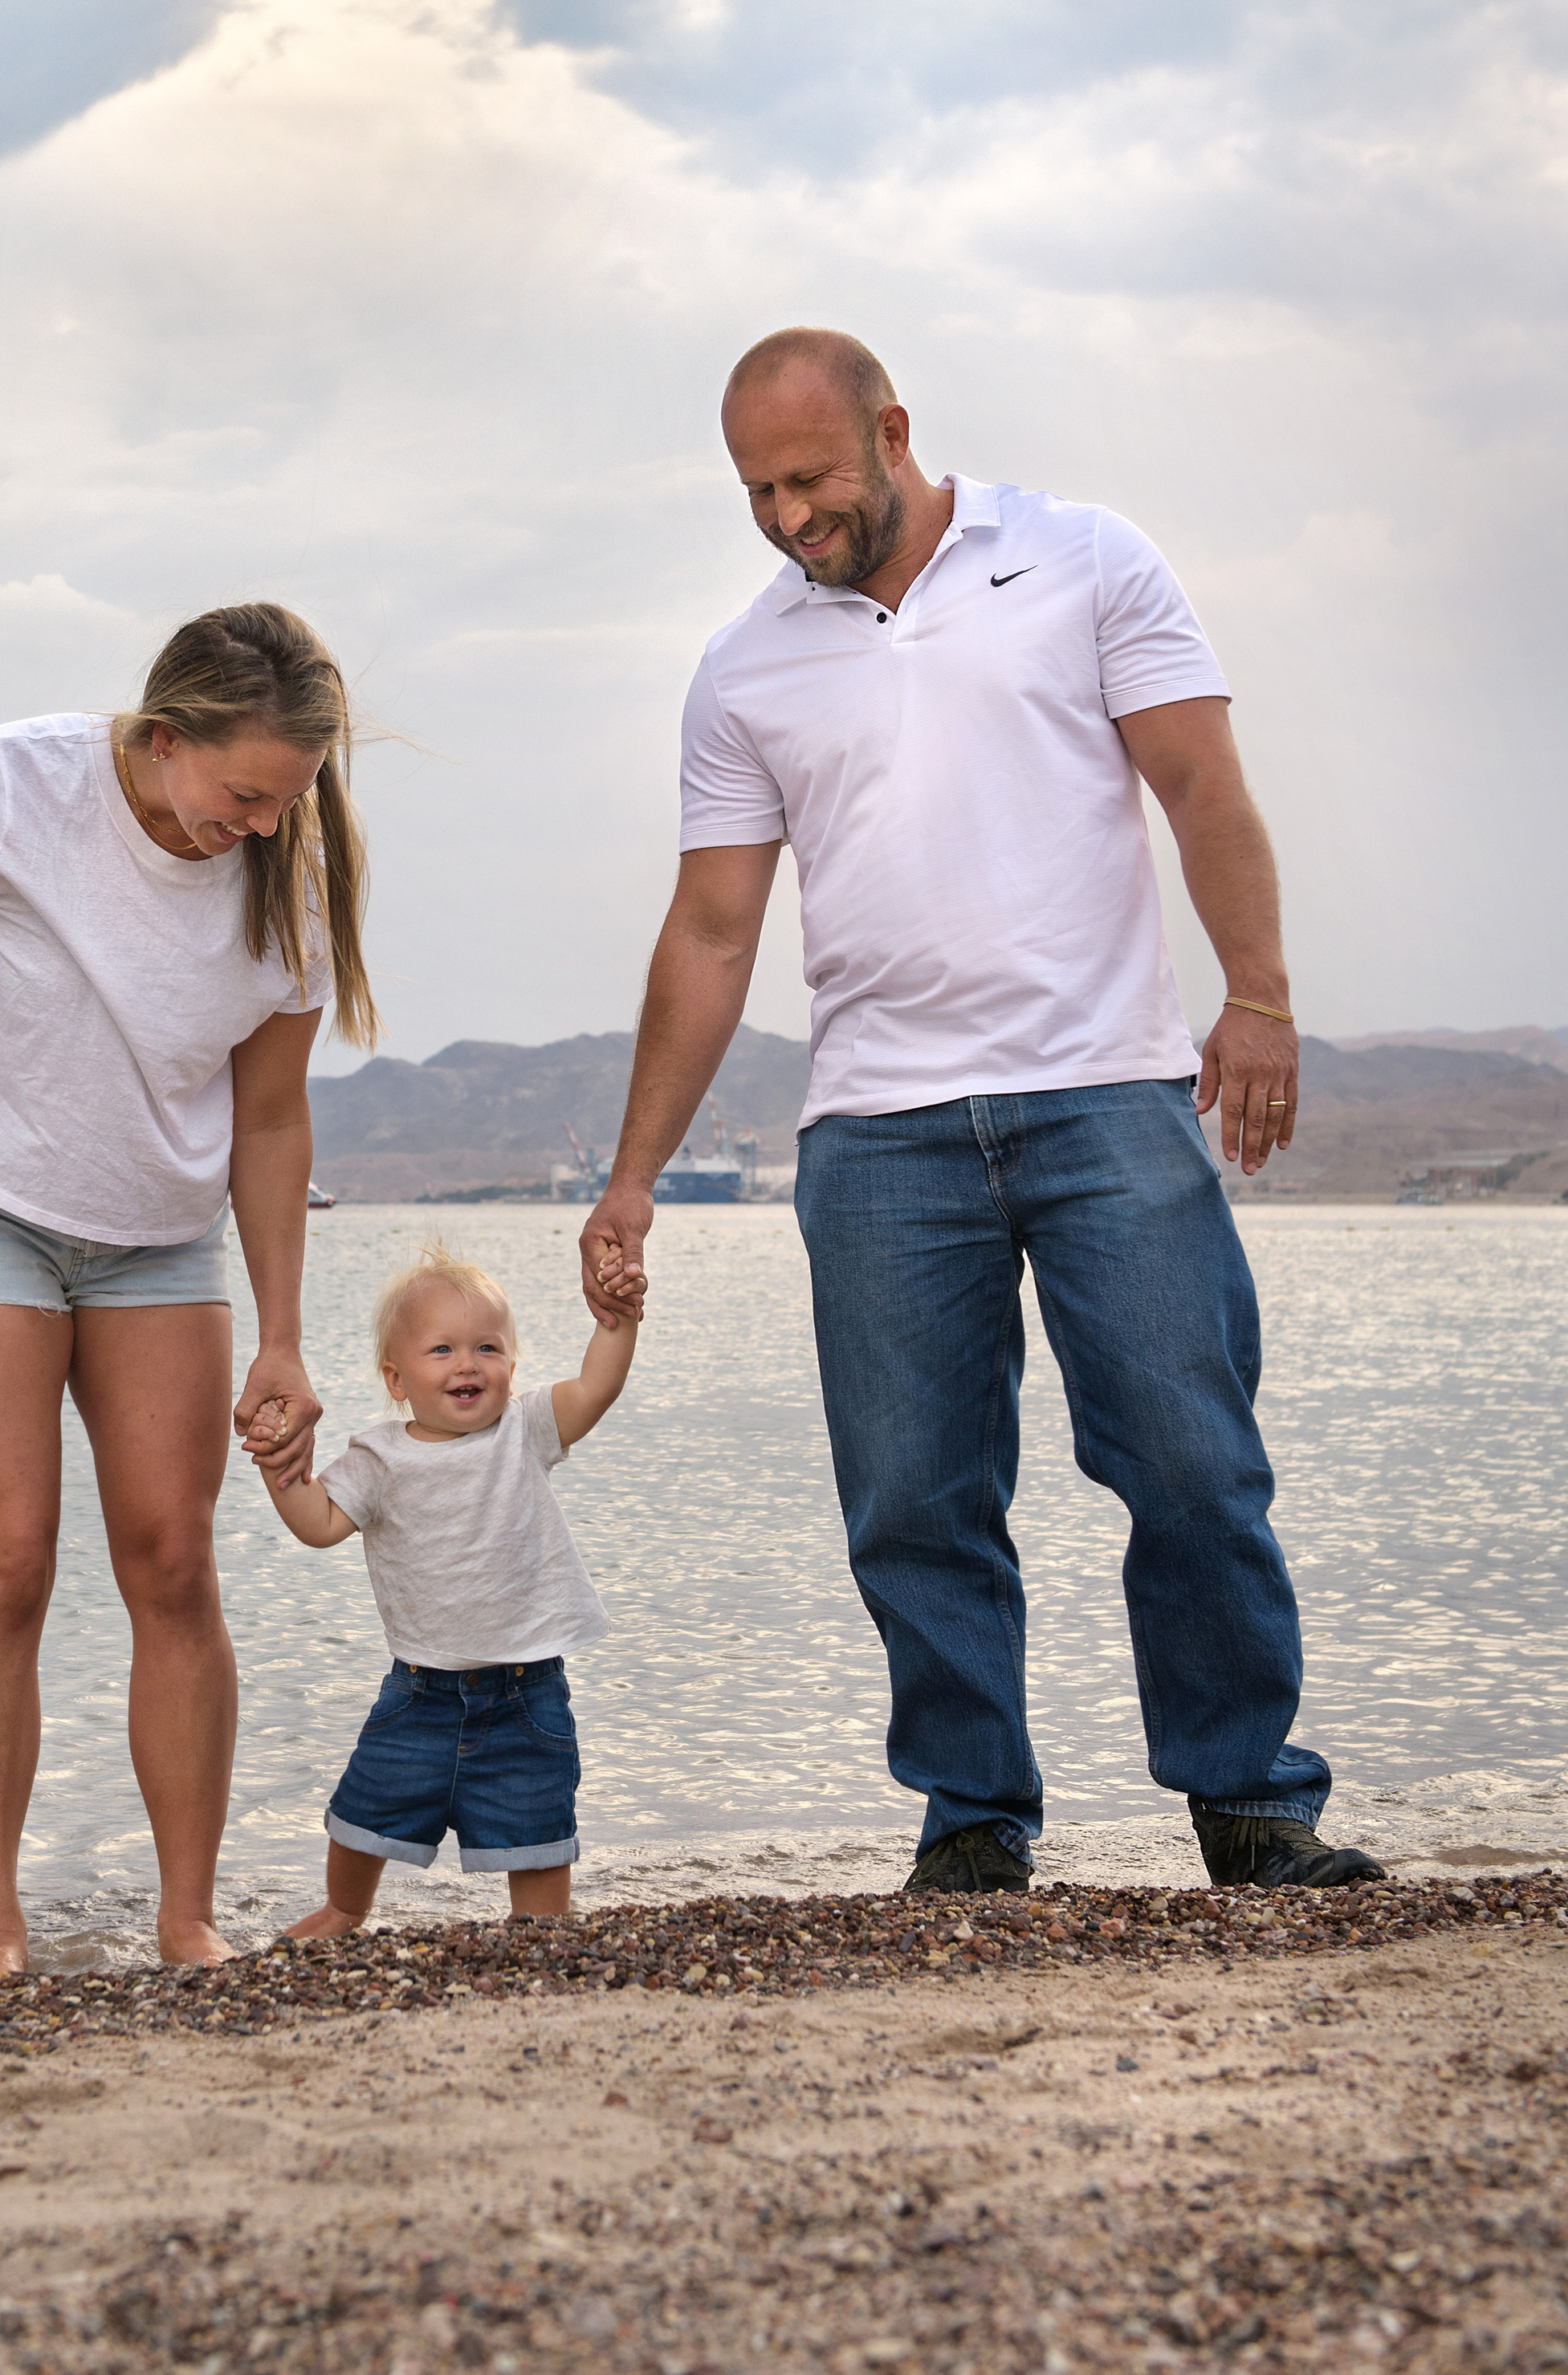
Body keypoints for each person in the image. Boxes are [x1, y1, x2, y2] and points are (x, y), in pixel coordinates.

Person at [579, 328, 1383, 1897]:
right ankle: (968, 1829)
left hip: (1102, 1102)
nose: (785, 516)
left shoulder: (1081, 559)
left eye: (809, 478)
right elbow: (710, 932)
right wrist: (632, 1177)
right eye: (754, 490)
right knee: (913, 1503)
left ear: (890, 429)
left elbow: (1198, 788)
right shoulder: (744, 667)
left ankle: (1248, 1809)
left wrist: (1259, 995)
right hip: (875, 1138)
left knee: (1188, 1462)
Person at [0, 602, 377, 1976]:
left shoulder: (287, 879)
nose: (259, 828)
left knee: (175, 1562)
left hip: (158, 1237)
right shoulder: (0, 789)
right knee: (10, 1559)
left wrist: (286, 1340)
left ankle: (187, 1924)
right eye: (245, 794)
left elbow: (267, 1124)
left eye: (290, 799)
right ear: (162, 736)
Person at [251, 1241, 638, 1934]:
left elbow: (596, 1387)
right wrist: (280, 1465)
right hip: (419, 1694)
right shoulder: (378, 1456)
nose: (467, 1364)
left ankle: (543, 1932)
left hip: (527, 1693)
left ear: (511, 1368)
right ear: (396, 1379)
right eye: (442, 1351)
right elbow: (319, 1524)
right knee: (364, 1813)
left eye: (487, 1347)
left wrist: (620, 1318)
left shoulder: (525, 1429)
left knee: (538, 1826)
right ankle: (345, 1909)